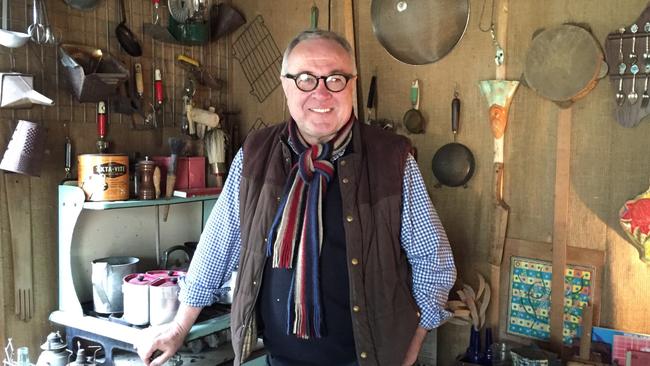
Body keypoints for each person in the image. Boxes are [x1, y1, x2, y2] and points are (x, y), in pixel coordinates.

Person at [138, 29, 456, 366]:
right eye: (306, 78)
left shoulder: (392, 159)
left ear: (352, 84)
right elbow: (218, 246)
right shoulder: (256, 153)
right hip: (278, 357)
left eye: (335, 78)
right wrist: (178, 326)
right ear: (286, 84)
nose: (321, 93)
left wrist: (408, 352)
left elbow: (433, 265)